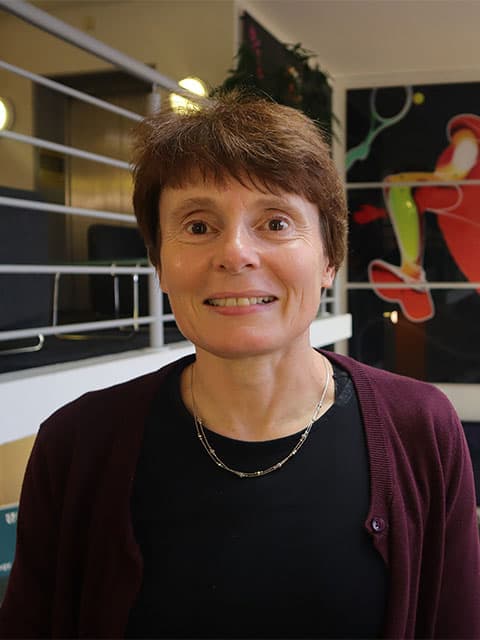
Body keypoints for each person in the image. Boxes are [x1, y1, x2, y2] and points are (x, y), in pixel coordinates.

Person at [0, 91, 479, 639]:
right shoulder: (76, 444)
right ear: (159, 261)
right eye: (199, 226)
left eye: (275, 223)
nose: (234, 253)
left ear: (328, 258)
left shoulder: (421, 429)